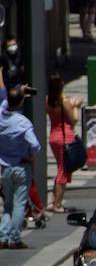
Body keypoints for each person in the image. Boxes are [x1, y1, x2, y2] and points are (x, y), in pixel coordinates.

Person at [0, 84, 40, 249]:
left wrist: (19, 91)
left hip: (4, 168)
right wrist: (30, 156)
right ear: (22, 102)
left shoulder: (1, 116)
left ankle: (2, 237)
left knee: (7, 204)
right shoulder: (23, 123)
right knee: (19, 204)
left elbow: (4, 103)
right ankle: (15, 238)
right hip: (21, 167)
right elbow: (36, 146)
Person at [45, 73, 81, 213]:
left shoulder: (48, 101)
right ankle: (57, 204)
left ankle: (53, 200)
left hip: (54, 136)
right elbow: (74, 120)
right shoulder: (64, 101)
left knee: (61, 168)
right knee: (63, 171)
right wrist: (76, 106)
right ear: (61, 85)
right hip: (65, 138)